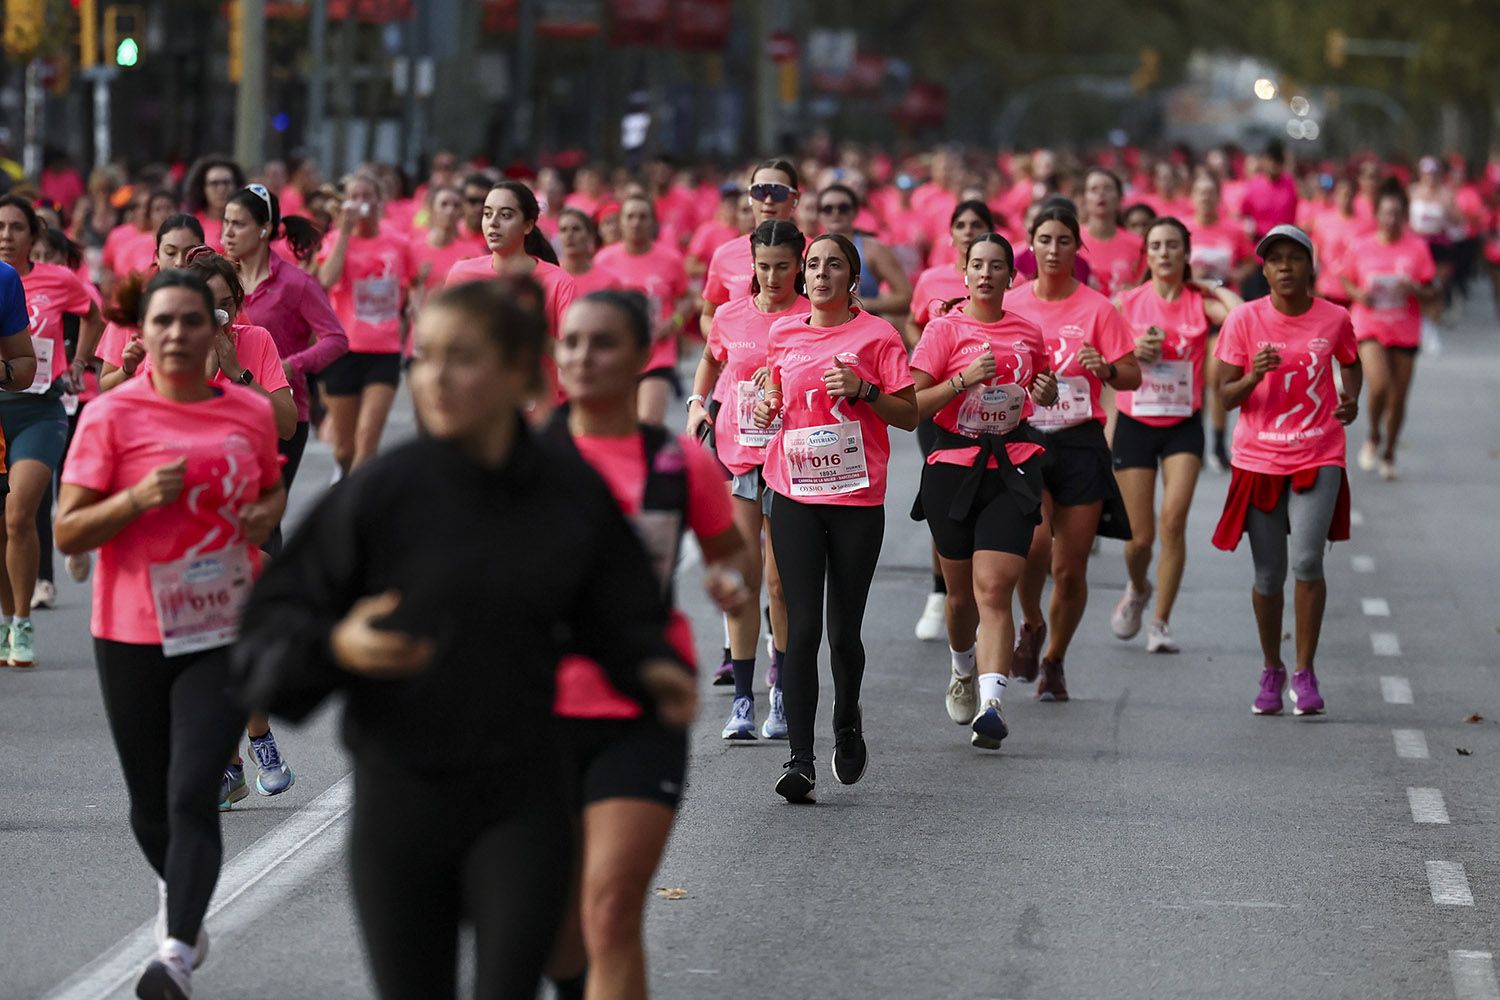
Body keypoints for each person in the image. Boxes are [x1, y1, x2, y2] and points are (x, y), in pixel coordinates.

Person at [232, 278, 696, 1000]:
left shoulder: (569, 490)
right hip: (400, 798)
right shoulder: (380, 493)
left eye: (463, 357)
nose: (436, 377)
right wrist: (339, 648)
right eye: (425, 358)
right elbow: (268, 627)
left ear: (520, 371)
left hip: (522, 794)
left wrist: (650, 667)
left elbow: (619, 613)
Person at [54, 269, 286, 999]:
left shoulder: (247, 412)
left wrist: (261, 516)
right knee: (150, 807)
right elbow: (68, 529)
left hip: (220, 623)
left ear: (215, 328)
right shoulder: (111, 416)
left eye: (193, 321)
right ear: (142, 332)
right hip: (130, 629)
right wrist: (134, 499)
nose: (179, 334)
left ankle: (176, 952)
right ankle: (183, 897)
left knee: (192, 793)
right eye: (164, 322)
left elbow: (270, 487)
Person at [548, 290, 750, 1000]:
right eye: (570, 342)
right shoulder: (523, 459)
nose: (582, 357)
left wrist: (728, 583)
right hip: (531, 711)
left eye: (602, 343)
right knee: (555, 928)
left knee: (609, 910)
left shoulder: (674, 462)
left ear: (642, 358)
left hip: (640, 707)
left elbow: (731, 555)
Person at [753, 232, 918, 802]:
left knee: (843, 632)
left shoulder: (877, 335)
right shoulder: (783, 333)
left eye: (834, 265)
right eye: (814, 265)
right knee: (801, 629)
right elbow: (775, 396)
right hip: (794, 492)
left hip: (856, 500)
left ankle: (847, 722)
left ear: (854, 278)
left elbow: (910, 415)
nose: (821, 274)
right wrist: (767, 403)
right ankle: (799, 759)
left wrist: (864, 389)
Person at [909, 233, 1057, 749]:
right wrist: (962, 380)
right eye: (978, 265)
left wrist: (1048, 390)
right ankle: (962, 666)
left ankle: (993, 705)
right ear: (964, 273)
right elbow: (913, 407)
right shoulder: (943, 330)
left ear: (1011, 276)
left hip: (1011, 466)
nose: (988, 274)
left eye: (998, 266)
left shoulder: (1028, 332)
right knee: (958, 600)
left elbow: (1040, 387)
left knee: (994, 589)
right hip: (952, 467)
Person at [1211, 224, 1362, 716]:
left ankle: (1305, 670)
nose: (1283, 266)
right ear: (1264, 269)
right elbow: (1225, 394)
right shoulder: (1244, 321)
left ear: (1309, 265)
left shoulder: (1334, 317)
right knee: (1269, 574)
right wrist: (1255, 373)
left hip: (1319, 453)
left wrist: (1351, 397)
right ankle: (1271, 667)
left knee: (1308, 562)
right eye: (1274, 259)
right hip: (1259, 459)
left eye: (1293, 257)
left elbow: (1351, 360)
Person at [1006, 205, 1140, 700]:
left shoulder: (1098, 308)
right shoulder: (1014, 305)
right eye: (1045, 239)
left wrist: (1104, 368)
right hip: (1027, 438)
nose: (1054, 250)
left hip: (1081, 440)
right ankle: (1032, 622)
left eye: (1064, 240)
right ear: (1031, 245)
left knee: (1071, 567)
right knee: (1034, 547)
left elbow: (1132, 376)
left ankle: (1055, 659)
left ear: (1077, 248)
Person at [687, 219, 807, 741]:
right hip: (739, 458)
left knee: (780, 583)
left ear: (799, 265)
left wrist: (781, 381)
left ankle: (779, 694)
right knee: (743, 579)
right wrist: (697, 405)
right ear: (751, 266)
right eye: (763, 267)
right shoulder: (732, 314)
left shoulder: (812, 316)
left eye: (783, 266)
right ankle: (742, 700)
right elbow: (711, 360)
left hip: (792, 462)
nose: (773, 276)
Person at [1111, 218, 1242, 652]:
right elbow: (1105, 354)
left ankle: (1161, 623)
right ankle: (1137, 587)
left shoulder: (1198, 303)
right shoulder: (1127, 303)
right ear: (1145, 255)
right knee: (1139, 539)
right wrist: (1134, 350)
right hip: (1136, 423)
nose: (1164, 253)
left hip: (1183, 424)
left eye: (1173, 246)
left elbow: (1241, 316)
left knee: (1173, 521)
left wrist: (1209, 286)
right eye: (1156, 246)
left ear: (1186, 253)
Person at [0, 194, 101, 665]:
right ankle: (7, 619)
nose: (6, 235)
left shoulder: (57, 279)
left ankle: (22, 621)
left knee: (19, 513)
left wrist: (80, 362)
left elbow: (94, 313)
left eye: (16, 227)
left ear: (32, 236)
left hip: (39, 409)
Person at [220, 182, 346, 519]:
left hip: (281, 411)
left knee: (263, 519)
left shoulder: (296, 283)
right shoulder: (216, 279)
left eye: (238, 224)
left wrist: (292, 365)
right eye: (225, 222)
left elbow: (336, 338)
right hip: (221, 406)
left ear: (264, 230)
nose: (227, 233)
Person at [906, 200, 996, 643]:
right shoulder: (931, 280)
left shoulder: (1000, 283)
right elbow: (912, 322)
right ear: (950, 233)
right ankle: (940, 591)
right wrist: (928, 346)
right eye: (959, 224)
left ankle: (981, 586)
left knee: (987, 492)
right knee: (946, 490)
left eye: (976, 225)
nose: (966, 231)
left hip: (992, 412)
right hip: (942, 404)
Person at [446, 180, 578, 408]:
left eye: (506, 215)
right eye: (488, 214)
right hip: (475, 404)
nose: (493, 223)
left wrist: (530, 328)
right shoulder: (462, 273)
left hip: (534, 408)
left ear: (528, 225)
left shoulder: (558, 281)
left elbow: (571, 358)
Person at [318, 171, 416, 474]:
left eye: (366, 196)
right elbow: (325, 280)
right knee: (345, 448)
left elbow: (412, 284)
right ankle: (345, 480)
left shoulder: (399, 242)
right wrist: (344, 234)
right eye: (354, 196)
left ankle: (354, 509)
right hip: (344, 350)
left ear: (379, 200)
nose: (361, 202)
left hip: (383, 351)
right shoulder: (335, 239)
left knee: (367, 440)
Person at [1342, 182, 1438, 481]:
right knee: (1380, 385)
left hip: (1405, 329)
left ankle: (1390, 450)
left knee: (1398, 397)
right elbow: (1344, 278)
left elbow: (1432, 289)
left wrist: (1415, 289)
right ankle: (1373, 434)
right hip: (1370, 325)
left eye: (1397, 213)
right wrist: (1359, 295)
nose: (1391, 219)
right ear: (1377, 215)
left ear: (1404, 216)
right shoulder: (1362, 246)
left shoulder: (1417, 247)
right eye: (1386, 213)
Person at [592, 194, 691, 426]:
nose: (636, 222)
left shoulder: (671, 259)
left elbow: (687, 300)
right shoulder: (603, 260)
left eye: (643, 217)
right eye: (630, 216)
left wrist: (674, 322)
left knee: (648, 423)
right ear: (621, 222)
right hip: (617, 356)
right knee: (622, 426)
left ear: (653, 222)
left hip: (657, 355)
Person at [700, 159, 800, 330]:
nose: (768, 200)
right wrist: (727, 346)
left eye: (778, 192)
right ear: (750, 198)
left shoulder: (815, 253)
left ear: (795, 198)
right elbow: (708, 315)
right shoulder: (725, 254)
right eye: (760, 191)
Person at [816, 183, 913, 321]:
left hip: (864, 329)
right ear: (819, 214)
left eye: (843, 208)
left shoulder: (874, 249)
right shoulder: (810, 249)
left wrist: (866, 304)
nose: (835, 213)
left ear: (855, 212)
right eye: (828, 209)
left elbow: (907, 296)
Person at [1079, 169, 1145, 301]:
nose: (1101, 194)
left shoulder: (1137, 243)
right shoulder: (1071, 239)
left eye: (1108, 189)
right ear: (1084, 198)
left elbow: (1145, 289)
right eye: (1094, 189)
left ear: (1120, 198)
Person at [410, 184, 483, 301]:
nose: (450, 210)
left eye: (456, 206)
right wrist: (417, 281)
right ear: (431, 208)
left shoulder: (473, 252)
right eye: (444, 204)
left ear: (461, 212)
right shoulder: (412, 248)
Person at [182, 155, 246, 248]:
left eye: (226, 183)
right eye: (214, 183)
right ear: (202, 188)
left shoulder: (247, 222)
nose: (221, 189)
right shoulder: (191, 224)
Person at [556, 207, 618, 296]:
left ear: (590, 236)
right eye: (563, 230)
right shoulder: (548, 276)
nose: (569, 235)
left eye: (576, 229)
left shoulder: (609, 281)